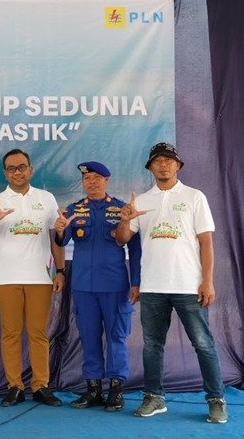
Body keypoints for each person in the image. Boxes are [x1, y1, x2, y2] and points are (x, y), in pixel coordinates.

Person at [115, 142, 228, 424]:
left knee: (203, 344)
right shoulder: (141, 201)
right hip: (153, 286)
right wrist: (125, 220)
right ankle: (154, 397)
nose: (163, 165)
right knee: (152, 345)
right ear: (150, 167)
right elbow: (122, 239)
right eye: (158, 161)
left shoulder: (194, 197)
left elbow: (206, 243)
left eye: (169, 160)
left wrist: (208, 281)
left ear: (178, 165)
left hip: (188, 285)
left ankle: (216, 400)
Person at [0, 148, 65, 407]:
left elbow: (56, 237)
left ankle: (41, 386)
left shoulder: (46, 199)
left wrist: (60, 271)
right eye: (11, 168)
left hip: (41, 276)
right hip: (7, 276)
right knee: (11, 333)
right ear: (5, 173)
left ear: (30, 169)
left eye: (21, 167)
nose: (17, 172)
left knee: (39, 333)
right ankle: (14, 386)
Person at [53, 161, 141, 411]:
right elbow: (62, 241)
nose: (91, 182)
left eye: (96, 178)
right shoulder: (74, 210)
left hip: (114, 284)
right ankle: (93, 389)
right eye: (87, 179)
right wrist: (60, 230)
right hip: (83, 286)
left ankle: (115, 389)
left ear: (106, 181)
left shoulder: (122, 209)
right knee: (88, 336)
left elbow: (135, 249)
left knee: (116, 336)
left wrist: (136, 282)